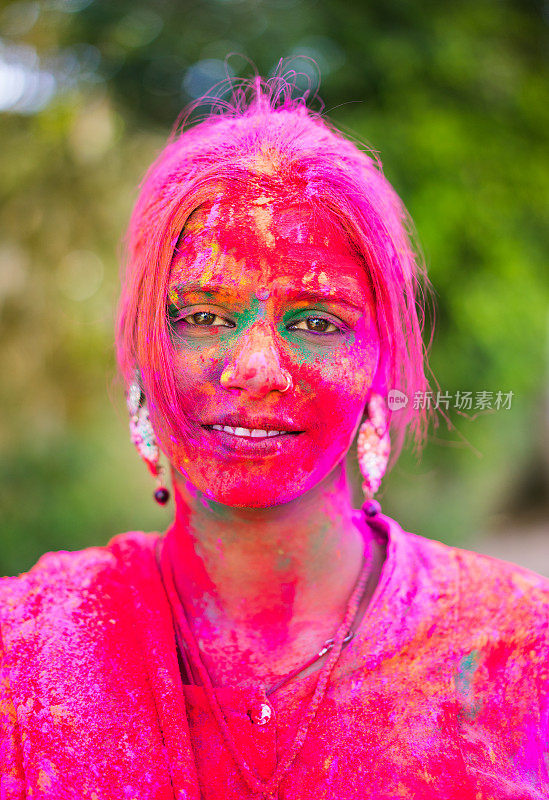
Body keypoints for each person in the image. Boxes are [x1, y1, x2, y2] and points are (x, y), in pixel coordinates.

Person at [1, 76, 547, 800]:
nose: (255, 368)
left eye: (316, 321)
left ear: (379, 362)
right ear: (141, 352)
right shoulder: (28, 652)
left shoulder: (517, 655)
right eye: (203, 315)